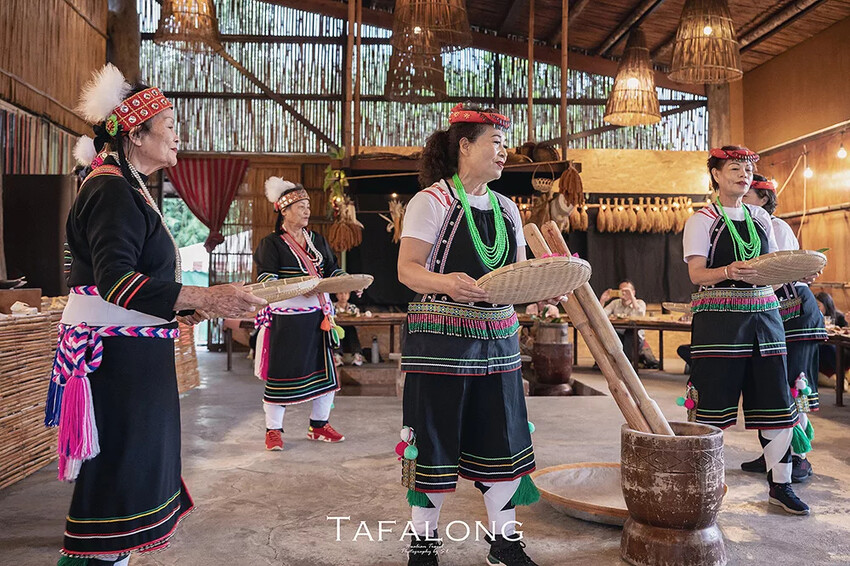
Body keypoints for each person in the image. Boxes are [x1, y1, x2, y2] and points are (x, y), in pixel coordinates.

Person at [49, 64, 264, 566]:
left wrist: (180, 310)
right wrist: (202, 298)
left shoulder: (131, 187)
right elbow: (117, 282)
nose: (177, 137)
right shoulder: (110, 190)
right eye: (169, 126)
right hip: (116, 360)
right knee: (120, 473)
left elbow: (136, 285)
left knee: (135, 466)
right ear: (137, 133)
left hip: (133, 351)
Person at [397, 103, 539, 566]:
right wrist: (446, 283)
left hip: (499, 342)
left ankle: (505, 543)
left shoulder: (507, 209)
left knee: (503, 439)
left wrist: (541, 290)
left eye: (504, 144)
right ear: (464, 145)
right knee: (433, 442)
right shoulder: (431, 201)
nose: (504, 153)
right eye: (495, 143)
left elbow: (514, 275)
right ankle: (424, 542)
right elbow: (407, 271)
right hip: (440, 341)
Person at [682, 145, 808, 515]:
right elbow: (695, 274)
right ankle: (702, 485)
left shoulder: (760, 217)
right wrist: (727, 271)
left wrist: (796, 273)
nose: (743, 175)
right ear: (717, 175)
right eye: (734, 168)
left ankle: (780, 485)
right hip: (719, 319)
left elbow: (770, 267)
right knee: (711, 406)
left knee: (777, 404)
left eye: (748, 170)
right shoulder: (702, 219)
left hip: (766, 317)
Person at [740, 174, 826, 482]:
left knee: (796, 384)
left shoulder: (775, 226)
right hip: (776, 314)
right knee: (776, 385)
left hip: (797, 312)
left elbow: (782, 271)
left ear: (763, 200)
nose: (742, 202)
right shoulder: (749, 225)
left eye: (747, 196)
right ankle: (775, 453)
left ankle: (800, 456)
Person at [253, 177, 346, 451]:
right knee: (281, 375)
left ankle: (319, 426)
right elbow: (267, 281)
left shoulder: (317, 239)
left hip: (320, 318)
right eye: (301, 206)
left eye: (307, 206)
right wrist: (300, 288)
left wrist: (346, 283)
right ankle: (273, 431)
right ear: (284, 211)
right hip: (287, 319)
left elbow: (331, 268)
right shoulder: (271, 244)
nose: (307, 211)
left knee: (326, 374)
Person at [600, 280, 660, 369]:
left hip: (635, 338)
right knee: (607, 333)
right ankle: (604, 362)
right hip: (619, 335)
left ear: (633, 292)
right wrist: (602, 300)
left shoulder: (640, 303)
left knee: (630, 333)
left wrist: (632, 298)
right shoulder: (615, 303)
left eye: (626, 290)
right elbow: (601, 316)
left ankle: (626, 365)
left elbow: (640, 315)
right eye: (621, 290)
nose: (623, 293)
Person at [815, 291, 848, 385]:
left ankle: (841, 379)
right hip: (822, 347)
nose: (815, 309)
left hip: (839, 348)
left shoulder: (839, 317)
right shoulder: (813, 318)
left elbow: (845, 332)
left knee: (830, 348)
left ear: (826, 305)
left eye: (818, 306)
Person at [333, 291, 364, 366]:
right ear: (336, 295)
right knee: (338, 331)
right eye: (340, 293)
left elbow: (357, 315)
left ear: (349, 295)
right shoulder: (332, 306)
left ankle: (357, 355)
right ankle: (336, 356)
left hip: (349, 328)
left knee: (351, 329)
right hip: (337, 327)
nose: (343, 296)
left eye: (346, 293)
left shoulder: (352, 307)